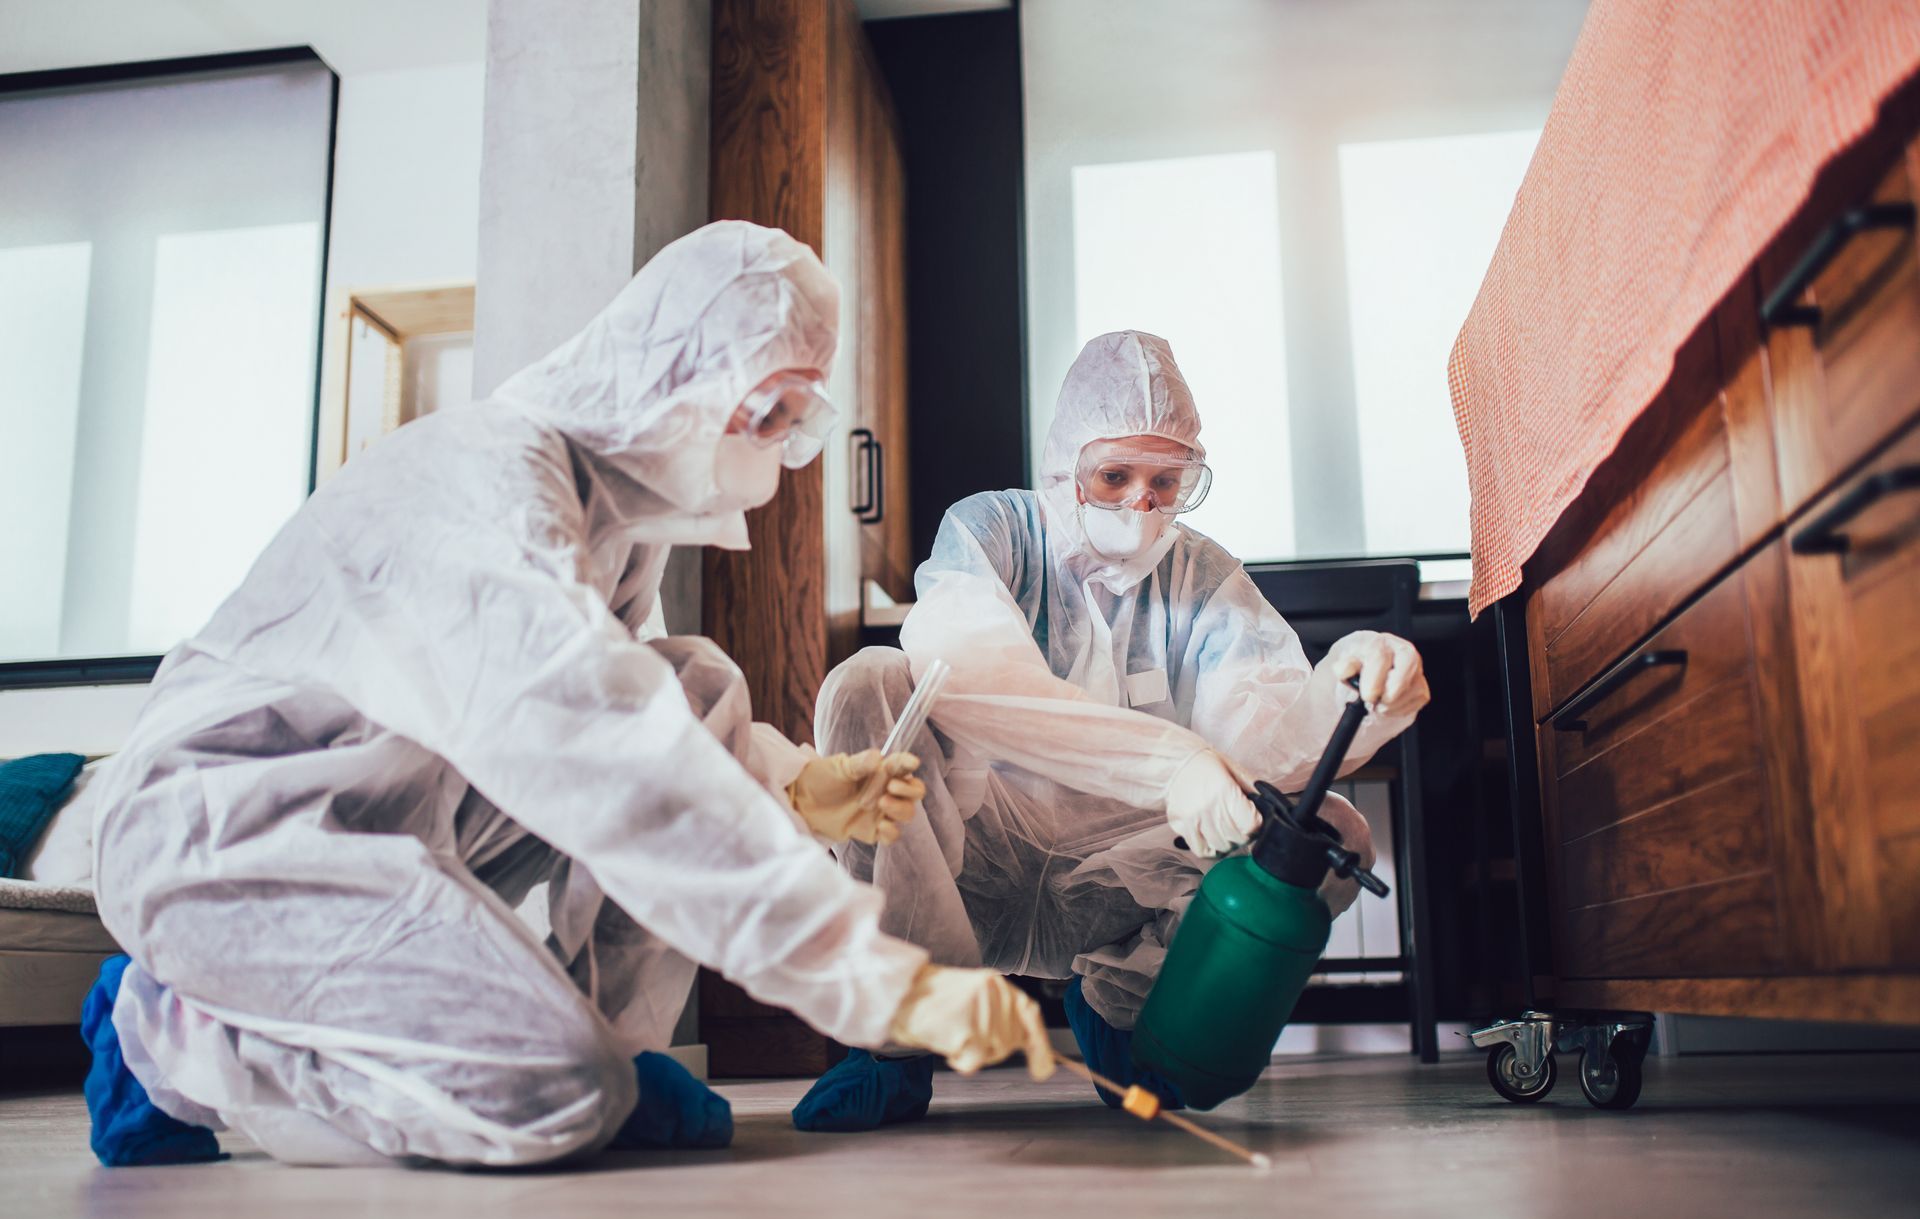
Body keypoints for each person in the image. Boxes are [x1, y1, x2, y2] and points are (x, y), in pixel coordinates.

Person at [80, 221, 1053, 1171]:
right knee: (555, 1089)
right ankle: (170, 1034)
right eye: (771, 413)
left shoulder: (618, 514)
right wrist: (869, 973)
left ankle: (620, 1045)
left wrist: (795, 779)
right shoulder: (491, 491)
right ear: (681, 379)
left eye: (796, 420)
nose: (782, 447)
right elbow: (608, 756)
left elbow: (637, 710)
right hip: (224, 830)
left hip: (376, 805)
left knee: (694, 678)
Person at [792, 330, 1427, 1131]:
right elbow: (970, 671)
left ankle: (1129, 1014)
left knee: (1328, 831)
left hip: (1124, 871)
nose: (1142, 503)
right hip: (972, 847)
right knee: (868, 684)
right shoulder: (995, 532)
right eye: (1115, 475)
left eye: (1167, 481)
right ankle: (895, 1043)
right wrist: (1172, 763)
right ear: (1065, 465)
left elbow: (1263, 745)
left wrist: (1348, 692)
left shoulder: (1206, 578)